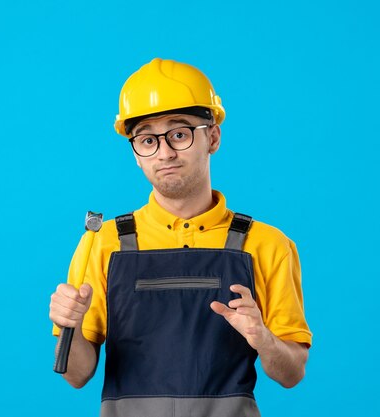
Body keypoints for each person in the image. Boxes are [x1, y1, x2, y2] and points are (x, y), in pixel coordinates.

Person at [49, 58, 312, 417]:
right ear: (136, 155)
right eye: (146, 140)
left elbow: (292, 373)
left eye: (179, 133)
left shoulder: (266, 244)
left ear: (213, 137)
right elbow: (77, 375)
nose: (165, 153)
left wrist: (263, 338)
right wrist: (71, 326)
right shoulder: (103, 241)